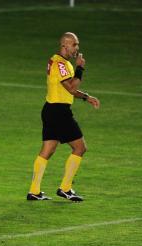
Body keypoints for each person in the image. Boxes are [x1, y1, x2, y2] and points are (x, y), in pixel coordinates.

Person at [27, 32, 100, 202]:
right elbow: (71, 88)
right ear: (65, 45)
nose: (77, 48)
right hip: (59, 112)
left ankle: (34, 191)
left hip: (50, 109)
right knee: (80, 148)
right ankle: (65, 188)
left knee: (47, 150)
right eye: (74, 44)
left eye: (77, 44)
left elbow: (69, 90)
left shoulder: (57, 61)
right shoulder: (61, 64)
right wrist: (80, 68)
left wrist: (87, 97)